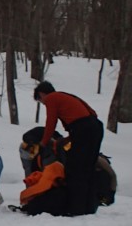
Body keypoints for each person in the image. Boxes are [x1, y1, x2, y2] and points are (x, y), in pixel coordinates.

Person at [33, 81, 104, 216]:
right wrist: (70, 138)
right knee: (88, 167)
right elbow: (91, 114)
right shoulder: (67, 96)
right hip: (96, 127)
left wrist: (43, 143)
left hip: (83, 129)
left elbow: (51, 122)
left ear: (42, 94)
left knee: (74, 168)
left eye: (41, 101)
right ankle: (89, 206)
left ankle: (75, 208)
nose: (44, 103)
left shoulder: (52, 98)